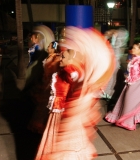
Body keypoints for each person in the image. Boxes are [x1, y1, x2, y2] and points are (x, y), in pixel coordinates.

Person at [35, 26, 115, 159]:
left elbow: (81, 80)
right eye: (61, 55)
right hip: (57, 111)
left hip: (65, 112)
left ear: (72, 58)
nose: (60, 58)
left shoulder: (73, 72)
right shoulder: (64, 68)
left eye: (64, 57)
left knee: (67, 145)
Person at [27, 41, 61, 134]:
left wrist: (47, 83)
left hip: (49, 84)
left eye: (50, 47)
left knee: (45, 106)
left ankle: (43, 126)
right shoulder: (49, 56)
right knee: (41, 105)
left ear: (54, 48)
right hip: (44, 82)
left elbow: (54, 73)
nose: (47, 48)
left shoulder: (56, 58)